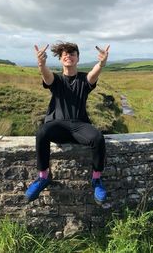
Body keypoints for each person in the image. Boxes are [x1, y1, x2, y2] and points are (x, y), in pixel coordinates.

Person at [25, 41, 110, 205]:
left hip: (80, 126)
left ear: (78, 58)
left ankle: (96, 180)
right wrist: (41, 64)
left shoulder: (84, 80)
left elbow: (93, 74)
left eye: (72, 54)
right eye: (65, 54)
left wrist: (101, 63)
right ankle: (43, 177)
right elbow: (47, 77)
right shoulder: (56, 80)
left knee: (98, 138)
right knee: (42, 132)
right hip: (58, 126)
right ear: (61, 59)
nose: (69, 56)